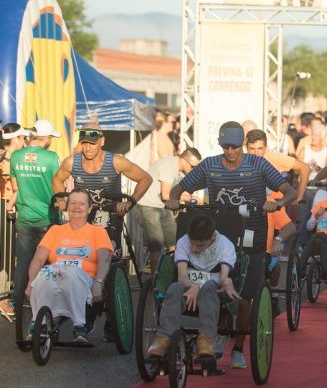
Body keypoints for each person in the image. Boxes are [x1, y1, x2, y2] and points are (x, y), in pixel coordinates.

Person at [166, 121, 297, 369]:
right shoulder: (210, 165)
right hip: (218, 237)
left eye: (235, 147)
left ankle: (238, 347)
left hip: (252, 237)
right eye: (226, 146)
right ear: (220, 145)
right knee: (216, 288)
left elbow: (289, 191)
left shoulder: (258, 164)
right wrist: (174, 199)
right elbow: (178, 189)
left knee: (246, 296)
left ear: (242, 145)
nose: (230, 152)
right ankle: (215, 332)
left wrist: (278, 204)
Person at [52, 121, 153, 342]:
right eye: (84, 143)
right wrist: (62, 200)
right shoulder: (72, 162)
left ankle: (111, 315)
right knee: (80, 259)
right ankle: (82, 307)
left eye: (93, 143)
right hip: (83, 218)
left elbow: (146, 178)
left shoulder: (115, 160)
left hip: (110, 216)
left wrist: (130, 202)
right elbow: (57, 180)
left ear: (102, 142)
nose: (88, 148)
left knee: (108, 260)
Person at [146, 214, 240, 358]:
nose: (195, 249)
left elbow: (223, 277)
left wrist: (226, 280)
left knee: (209, 287)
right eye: (192, 244)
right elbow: (182, 276)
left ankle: (206, 339)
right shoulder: (183, 242)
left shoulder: (225, 246)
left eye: (200, 245)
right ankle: (164, 337)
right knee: (174, 287)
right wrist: (194, 286)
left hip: (213, 290)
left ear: (213, 237)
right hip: (188, 287)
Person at [25, 189, 112, 343]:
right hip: (55, 274)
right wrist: (31, 282)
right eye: (73, 203)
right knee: (44, 274)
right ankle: (39, 323)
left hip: (85, 278)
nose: (76, 207)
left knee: (70, 273)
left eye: (81, 203)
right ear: (67, 206)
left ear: (90, 208)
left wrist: (99, 283)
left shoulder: (97, 232)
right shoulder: (55, 230)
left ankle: (80, 324)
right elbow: (38, 258)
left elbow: (105, 259)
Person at [7, 121, 60, 317]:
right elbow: (58, 186)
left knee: (23, 262)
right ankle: (45, 305)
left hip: (25, 217)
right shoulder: (52, 157)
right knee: (48, 262)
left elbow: (15, 187)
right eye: (51, 138)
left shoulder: (16, 156)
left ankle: (16, 302)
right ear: (46, 138)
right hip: (48, 218)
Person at [135, 148, 202, 276]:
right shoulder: (169, 166)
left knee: (174, 244)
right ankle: (155, 281)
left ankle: (172, 276)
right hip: (148, 206)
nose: (193, 170)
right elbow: (166, 195)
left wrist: (189, 197)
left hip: (161, 207)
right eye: (193, 166)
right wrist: (191, 199)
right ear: (183, 159)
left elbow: (178, 193)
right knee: (157, 246)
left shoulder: (179, 170)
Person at [245, 129, 310, 203]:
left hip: (275, 205)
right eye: (252, 149)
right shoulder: (241, 161)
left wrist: (299, 196)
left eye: (260, 148)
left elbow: (305, 168)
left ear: (266, 148)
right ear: (246, 148)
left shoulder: (274, 157)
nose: (256, 153)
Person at [297, 190, 327, 285]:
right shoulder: (322, 204)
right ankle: (300, 270)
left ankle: (325, 273)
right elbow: (308, 227)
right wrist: (316, 216)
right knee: (312, 241)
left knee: (321, 242)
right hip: (319, 236)